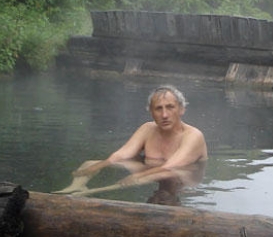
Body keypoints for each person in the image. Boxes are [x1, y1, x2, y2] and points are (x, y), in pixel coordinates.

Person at [56, 85, 207, 198]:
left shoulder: (193, 135)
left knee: (167, 175)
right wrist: (100, 166)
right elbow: (122, 154)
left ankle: (91, 193)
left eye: (170, 107)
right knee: (90, 163)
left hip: (181, 177)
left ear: (181, 109)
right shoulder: (148, 128)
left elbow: (172, 166)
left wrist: (137, 177)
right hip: (151, 170)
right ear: (151, 112)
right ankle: (74, 188)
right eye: (158, 109)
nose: (164, 114)